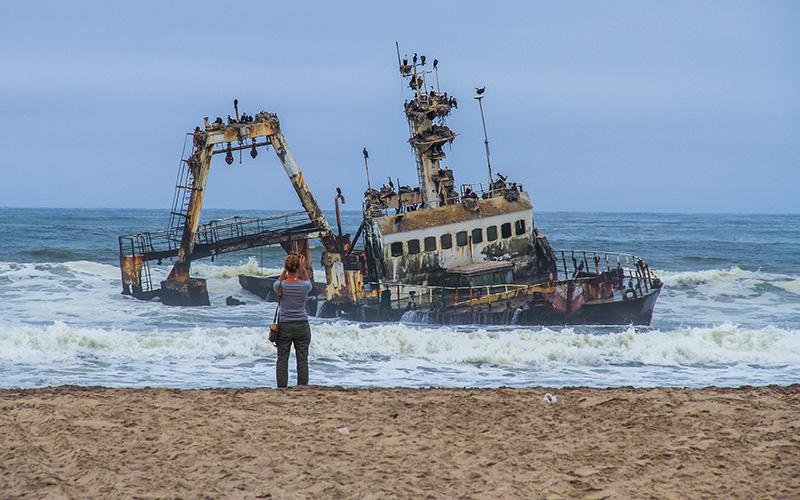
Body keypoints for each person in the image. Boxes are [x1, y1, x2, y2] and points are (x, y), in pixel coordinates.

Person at [272, 254, 313, 388]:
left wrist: (284, 270)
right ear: (298, 267)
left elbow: (277, 282)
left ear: (287, 267)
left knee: (282, 359)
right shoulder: (305, 286)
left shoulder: (280, 286)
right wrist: (302, 267)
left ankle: (282, 388)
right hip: (302, 325)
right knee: (302, 359)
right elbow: (308, 282)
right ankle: (302, 387)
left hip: (284, 325)